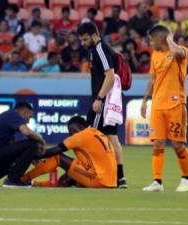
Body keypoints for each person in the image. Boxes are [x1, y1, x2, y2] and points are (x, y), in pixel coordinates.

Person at [140, 25, 188, 192]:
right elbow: (152, 79)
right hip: (158, 105)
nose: (149, 43)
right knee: (158, 144)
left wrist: (169, 39)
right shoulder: (155, 55)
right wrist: (145, 100)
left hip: (176, 104)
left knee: (177, 145)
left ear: (160, 39)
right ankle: (157, 181)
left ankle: (187, 177)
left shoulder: (180, 52)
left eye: (151, 39)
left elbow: (179, 53)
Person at [76, 22, 127, 188]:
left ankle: (95, 174)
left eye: (84, 39)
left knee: (90, 136)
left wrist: (99, 99)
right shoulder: (96, 49)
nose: (83, 43)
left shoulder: (100, 49)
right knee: (112, 138)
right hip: (108, 99)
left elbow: (110, 76)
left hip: (103, 100)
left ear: (93, 35)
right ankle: (120, 178)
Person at [21, 116, 117, 188]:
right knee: (67, 179)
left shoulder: (80, 136)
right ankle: (35, 183)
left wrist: (31, 155)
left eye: (72, 130)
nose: (70, 134)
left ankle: (23, 179)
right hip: (111, 181)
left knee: (57, 157)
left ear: (81, 126)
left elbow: (55, 151)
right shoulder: (96, 133)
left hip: (98, 179)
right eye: (69, 132)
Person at [0, 102, 46, 188]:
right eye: (29, 117)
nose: (28, 121)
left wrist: (30, 158)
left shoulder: (7, 124)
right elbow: (27, 132)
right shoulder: (13, 114)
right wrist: (42, 142)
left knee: (18, 154)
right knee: (32, 144)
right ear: (24, 112)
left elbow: (15, 152)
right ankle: (13, 180)